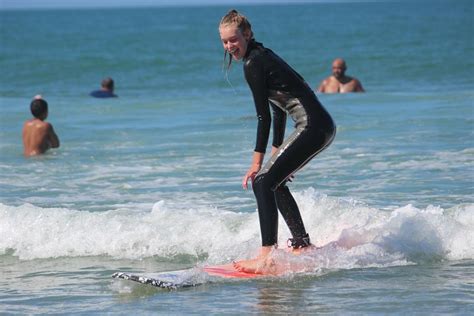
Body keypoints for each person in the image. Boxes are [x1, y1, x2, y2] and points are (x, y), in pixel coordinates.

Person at [219, 10, 336, 274]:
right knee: (274, 181)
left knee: (262, 181)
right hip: (318, 126)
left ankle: (266, 256)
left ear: (247, 35)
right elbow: (278, 109)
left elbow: (263, 117)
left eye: (233, 40)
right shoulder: (262, 56)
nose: (229, 47)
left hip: (313, 126)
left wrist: (257, 162)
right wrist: (276, 152)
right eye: (225, 42)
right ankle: (301, 244)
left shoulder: (253, 63)